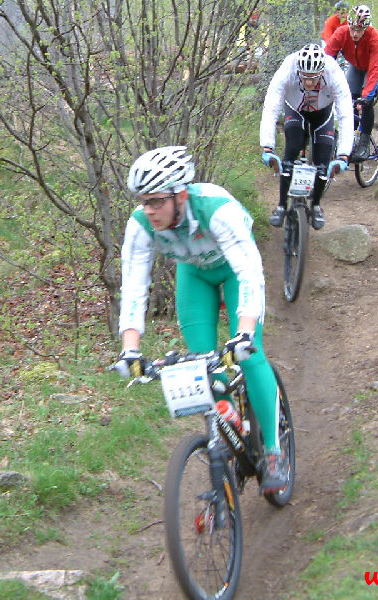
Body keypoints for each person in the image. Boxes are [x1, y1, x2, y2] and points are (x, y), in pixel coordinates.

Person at [113, 146, 289, 495]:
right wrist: (129, 349)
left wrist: (245, 333)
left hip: (235, 271)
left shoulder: (217, 209)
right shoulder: (141, 225)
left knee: (251, 356)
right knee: (203, 365)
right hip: (194, 275)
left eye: (156, 202)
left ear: (180, 194)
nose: (149, 210)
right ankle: (227, 427)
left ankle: (272, 451)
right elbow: (134, 285)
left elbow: (250, 273)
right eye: (143, 202)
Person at [259, 43, 353, 230]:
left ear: (322, 72)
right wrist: (267, 147)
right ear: (298, 71)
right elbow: (271, 107)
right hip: (295, 110)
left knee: (323, 162)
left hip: (323, 113)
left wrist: (343, 155)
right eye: (304, 77)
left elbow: (345, 113)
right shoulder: (288, 68)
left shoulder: (333, 72)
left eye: (313, 78)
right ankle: (281, 206)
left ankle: (316, 205)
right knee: (291, 151)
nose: (309, 83)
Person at [324, 5, 378, 161]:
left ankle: (364, 144)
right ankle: (349, 140)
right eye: (352, 28)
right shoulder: (341, 33)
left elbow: (374, 70)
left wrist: (367, 95)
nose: (354, 33)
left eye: (359, 30)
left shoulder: (375, 38)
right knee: (349, 99)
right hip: (355, 66)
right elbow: (326, 58)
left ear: (366, 28)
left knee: (366, 102)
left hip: (373, 66)